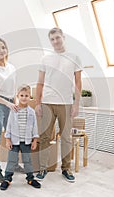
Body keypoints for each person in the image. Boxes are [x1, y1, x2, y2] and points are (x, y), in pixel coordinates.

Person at [35, 27, 82, 182]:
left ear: (63, 37)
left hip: (66, 103)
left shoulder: (74, 57)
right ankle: (43, 169)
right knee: (45, 137)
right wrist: (38, 103)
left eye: (57, 37)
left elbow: (78, 83)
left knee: (66, 138)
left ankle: (66, 169)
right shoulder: (45, 59)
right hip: (47, 102)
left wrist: (76, 104)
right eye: (52, 39)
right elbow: (40, 83)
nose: (55, 41)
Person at [0, 38, 23, 183]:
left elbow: (13, 89)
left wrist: (16, 102)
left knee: (13, 136)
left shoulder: (12, 68)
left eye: (3, 47)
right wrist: (6, 103)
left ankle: (13, 164)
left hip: (10, 103)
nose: (1, 50)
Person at [0, 85, 41, 190]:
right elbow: (8, 126)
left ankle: (30, 178)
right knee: (12, 160)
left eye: (26, 95)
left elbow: (34, 127)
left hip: (26, 141)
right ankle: (7, 179)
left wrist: (35, 140)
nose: (24, 97)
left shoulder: (31, 112)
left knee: (27, 160)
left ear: (30, 97)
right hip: (14, 141)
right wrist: (8, 140)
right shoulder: (13, 110)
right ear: (17, 96)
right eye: (21, 95)